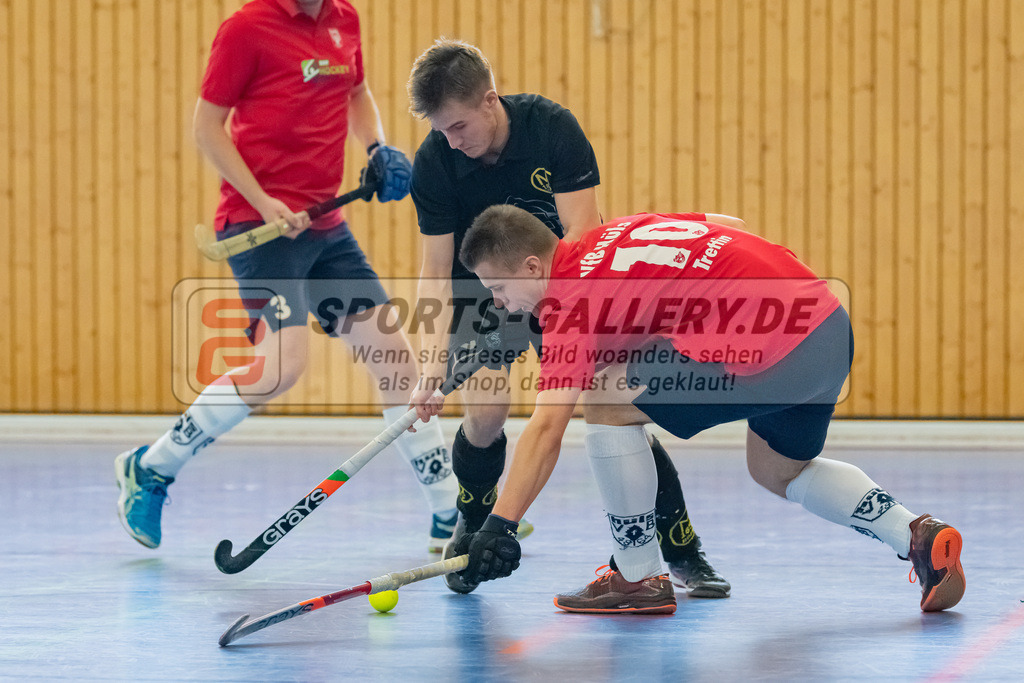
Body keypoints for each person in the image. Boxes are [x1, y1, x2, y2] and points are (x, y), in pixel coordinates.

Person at [421, 204, 966, 615]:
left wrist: (500, 524)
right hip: (825, 322)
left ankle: (636, 577)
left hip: (768, 351)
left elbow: (545, 430)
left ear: (534, 265)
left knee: (606, 402)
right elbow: (726, 221)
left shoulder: (570, 305)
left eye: (497, 287)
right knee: (778, 470)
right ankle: (915, 534)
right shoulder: (619, 235)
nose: (497, 302)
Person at [115, 0, 459, 554]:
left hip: (325, 227)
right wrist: (263, 200)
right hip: (258, 226)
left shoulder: (344, 19)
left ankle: (448, 512)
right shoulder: (246, 28)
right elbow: (206, 127)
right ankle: (151, 468)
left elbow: (355, 91)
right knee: (280, 368)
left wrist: (376, 147)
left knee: (394, 358)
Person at [405, 38, 729, 597]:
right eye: (440, 129)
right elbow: (436, 271)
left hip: (562, 280)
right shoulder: (435, 162)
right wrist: (433, 367)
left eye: (457, 126)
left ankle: (681, 547)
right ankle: (472, 520)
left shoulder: (552, 128)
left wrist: (554, 316)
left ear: (489, 100)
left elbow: (583, 233)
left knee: (611, 404)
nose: (450, 141)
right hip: (482, 290)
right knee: (485, 411)